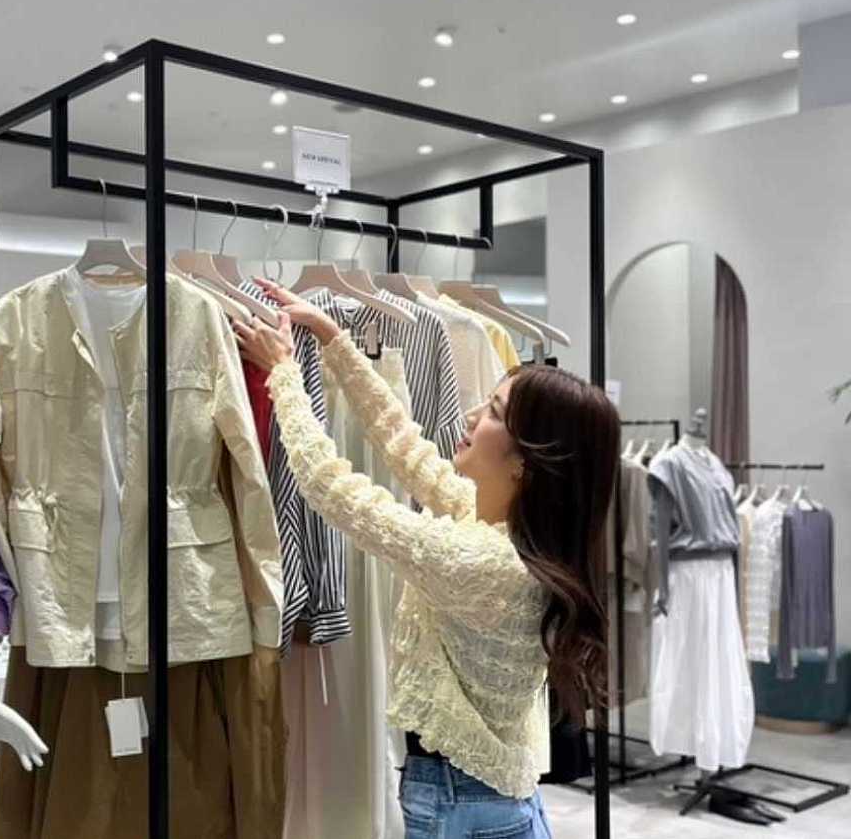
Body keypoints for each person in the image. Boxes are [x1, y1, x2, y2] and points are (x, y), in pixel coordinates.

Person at [231, 279, 619, 839]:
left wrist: (284, 375)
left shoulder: (484, 563)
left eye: (493, 412)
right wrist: (334, 340)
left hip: (463, 808)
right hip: (491, 799)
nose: (471, 416)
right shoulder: (509, 534)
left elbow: (333, 489)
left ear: (525, 463)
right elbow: (405, 447)